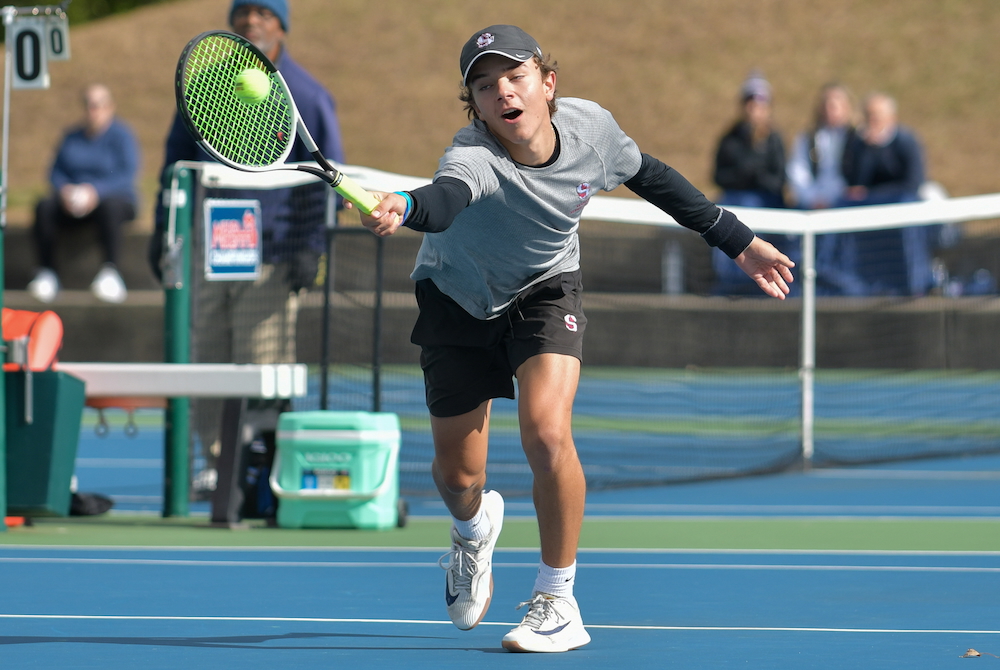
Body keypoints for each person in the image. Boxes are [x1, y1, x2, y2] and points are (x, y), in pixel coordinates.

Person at [352, 25, 794, 653]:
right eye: (485, 85)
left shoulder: (591, 131)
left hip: (546, 287)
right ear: (474, 104)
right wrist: (404, 202)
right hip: (456, 296)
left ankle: (557, 598)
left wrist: (739, 240)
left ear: (547, 83)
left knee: (547, 429)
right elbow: (446, 199)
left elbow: (656, 178)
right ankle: (473, 531)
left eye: (515, 76)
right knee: (457, 477)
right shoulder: (472, 155)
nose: (503, 91)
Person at [148, 0, 345, 487]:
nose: (251, 21)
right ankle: (218, 467)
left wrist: (310, 247)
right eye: (243, 12)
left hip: (274, 256)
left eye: (264, 12)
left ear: (282, 25)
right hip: (209, 250)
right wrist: (163, 227)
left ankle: (260, 470)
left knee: (263, 367)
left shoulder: (307, 94)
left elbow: (329, 180)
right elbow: (176, 164)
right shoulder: (205, 88)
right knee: (206, 360)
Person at [27, 83, 139, 304]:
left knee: (110, 208)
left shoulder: (122, 136)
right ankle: (47, 273)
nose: (93, 110)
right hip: (73, 202)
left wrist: (96, 191)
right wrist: (65, 191)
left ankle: (111, 272)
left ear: (110, 107)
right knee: (44, 207)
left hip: (113, 200)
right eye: (88, 105)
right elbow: (56, 172)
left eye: (98, 105)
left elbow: (127, 174)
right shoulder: (71, 137)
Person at [711, 70, 797, 295]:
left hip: (767, 203)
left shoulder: (774, 139)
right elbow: (719, 176)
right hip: (737, 202)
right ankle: (729, 283)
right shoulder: (730, 138)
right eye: (750, 101)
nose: (754, 107)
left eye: (760, 101)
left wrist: (758, 176)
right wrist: (743, 173)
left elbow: (779, 179)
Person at [838, 91, 931, 295]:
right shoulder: (858, 144)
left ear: (891, 117)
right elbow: (855, 183)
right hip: (869, 208)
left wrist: (874, 194)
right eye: (869, 115)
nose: (873, 121)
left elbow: (913, 183)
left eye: (877, 115)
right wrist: (869, 150)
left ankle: (913, 285)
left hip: (900, 207)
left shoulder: (907, 141)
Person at [786, 82, 862, 295]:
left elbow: (854, 174)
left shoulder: (856, 138)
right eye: (828, 104)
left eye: (837, 104)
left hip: (842, 204)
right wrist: (812, 198)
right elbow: (797, 171)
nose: (832, 109)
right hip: (810, 204)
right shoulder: (808, 138)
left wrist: (833, 199)